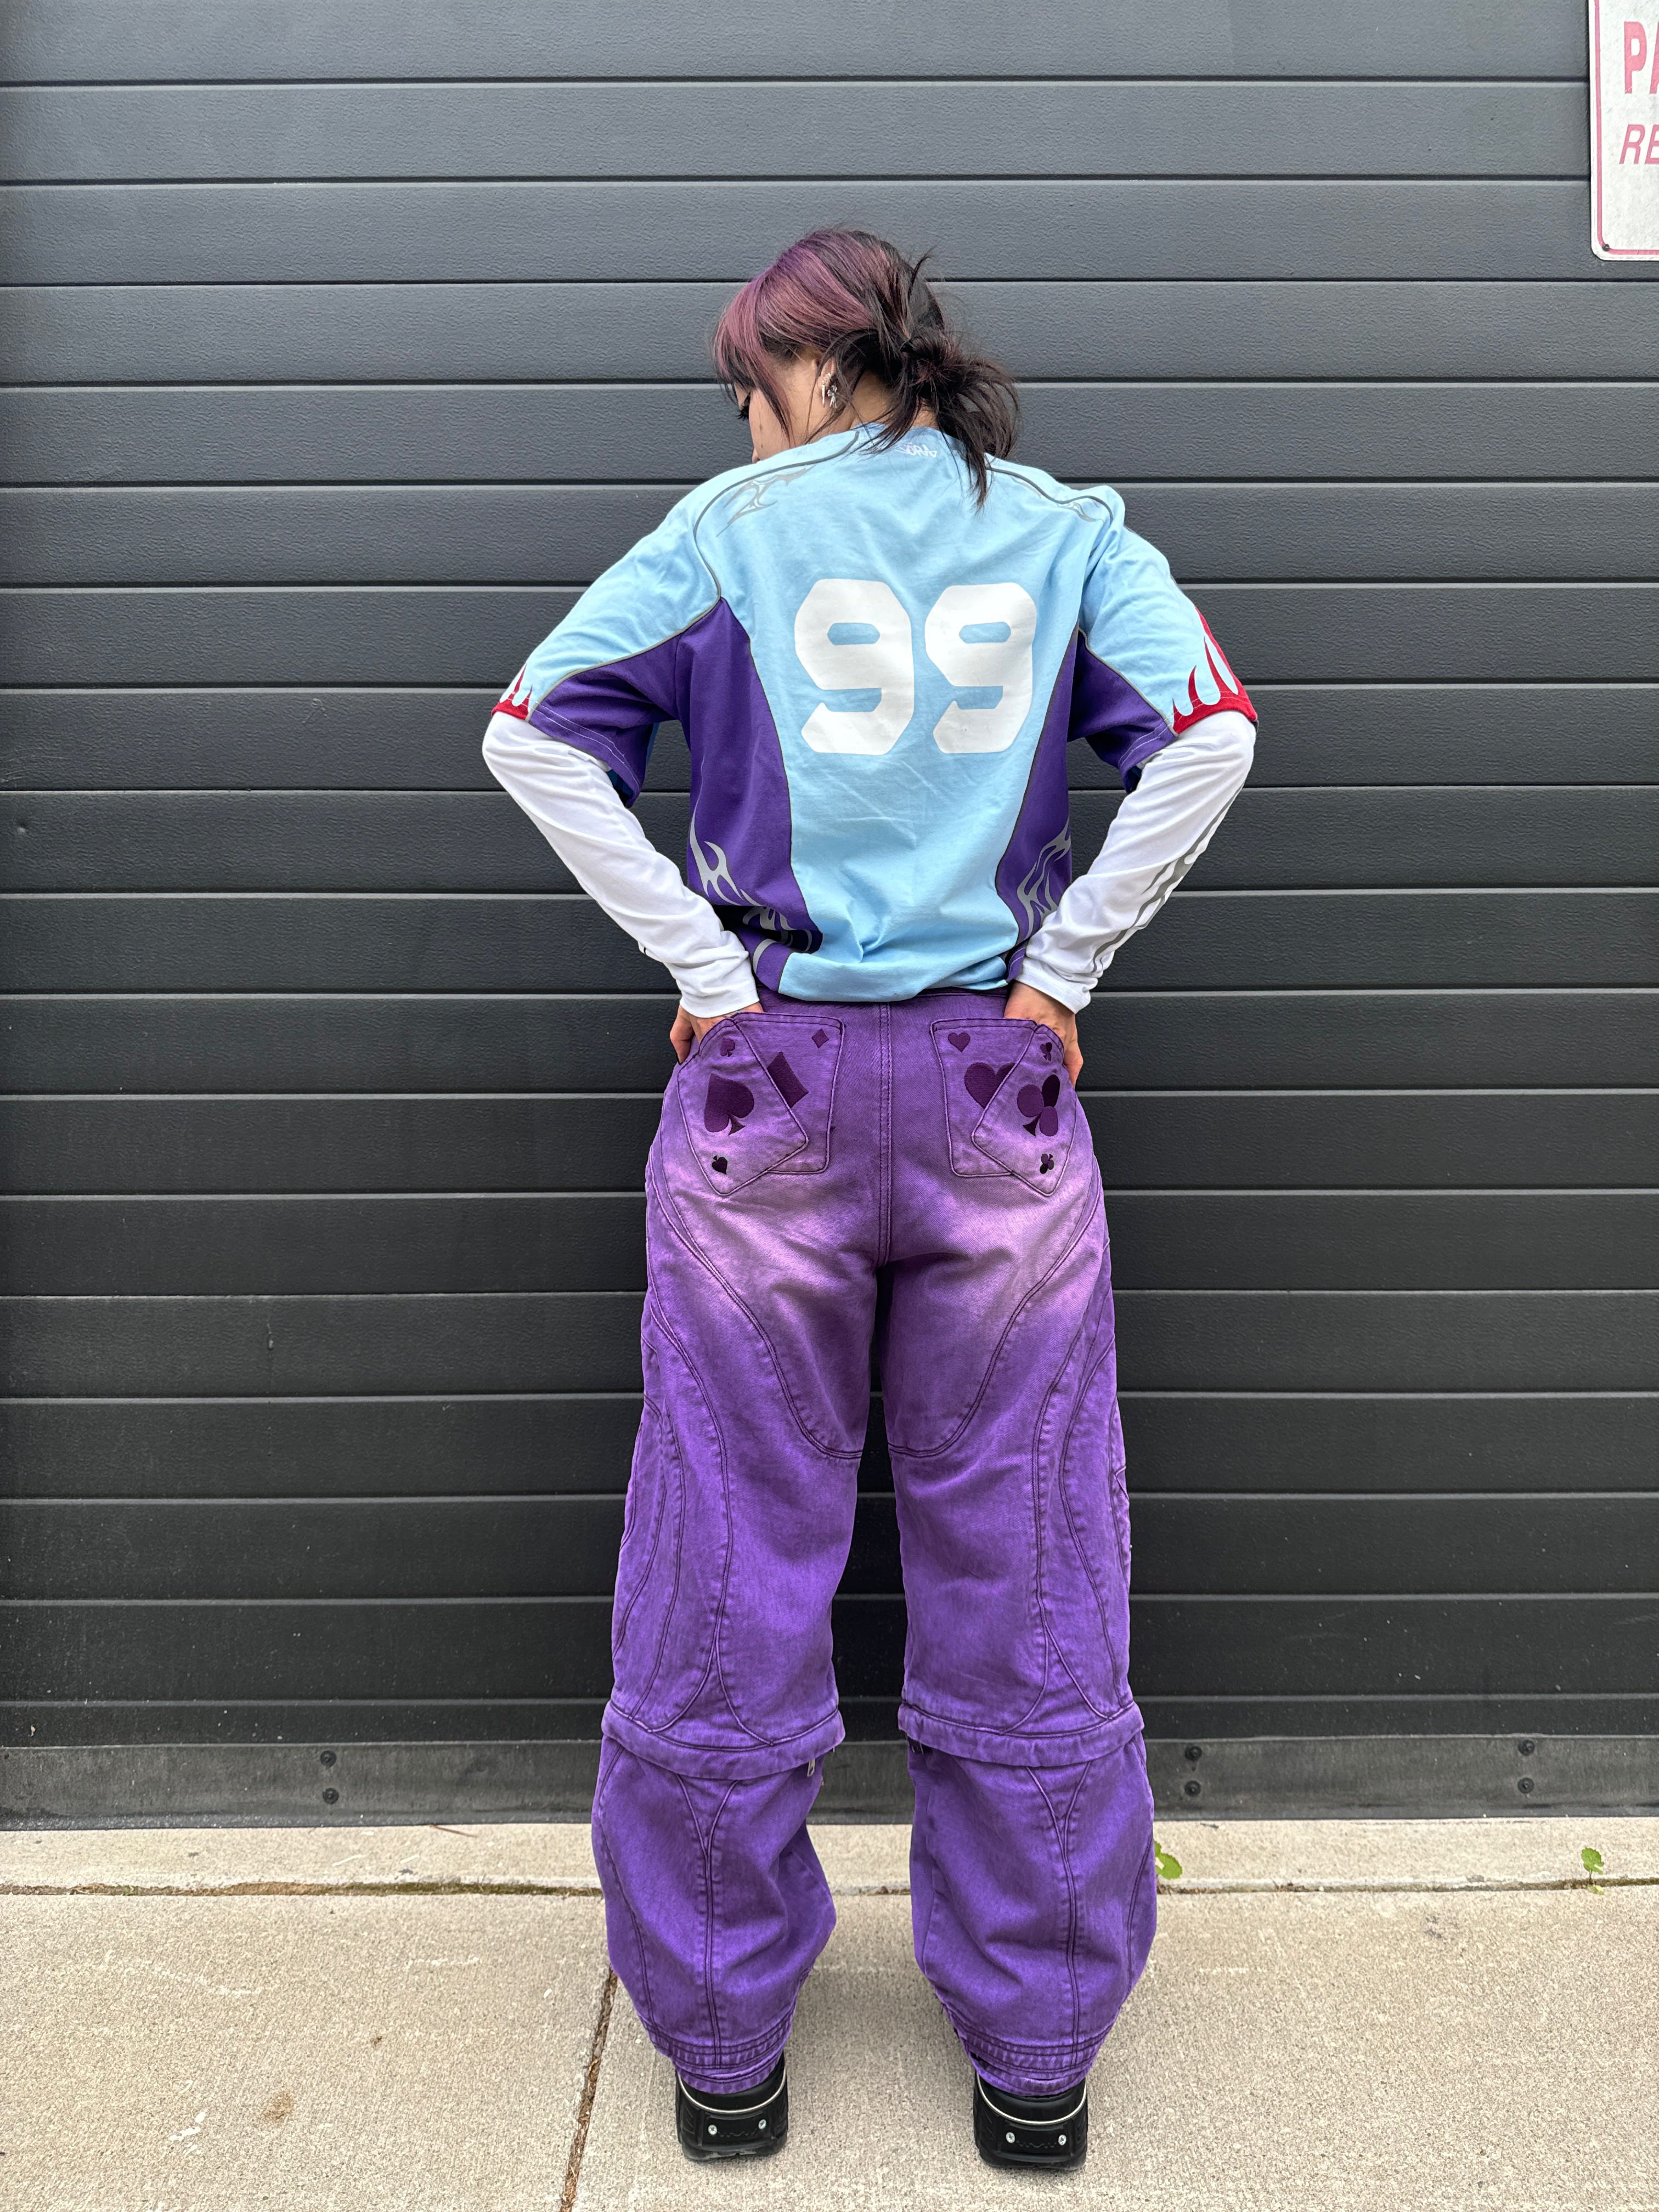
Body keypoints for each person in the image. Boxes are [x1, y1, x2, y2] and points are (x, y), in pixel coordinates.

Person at [483, 228, 1255, 2172]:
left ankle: (724, 2050)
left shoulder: (728, 533)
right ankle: (1038, 2059)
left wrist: (707, 968)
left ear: (809, 367)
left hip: (774, 1100)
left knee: (730, 1548)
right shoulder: (1067, 533)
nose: (744, 427)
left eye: (747, 391)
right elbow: (1213, 734)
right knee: (1031, 1555)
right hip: (1000, 1099)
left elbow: (531, 734)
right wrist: (1062, 972)